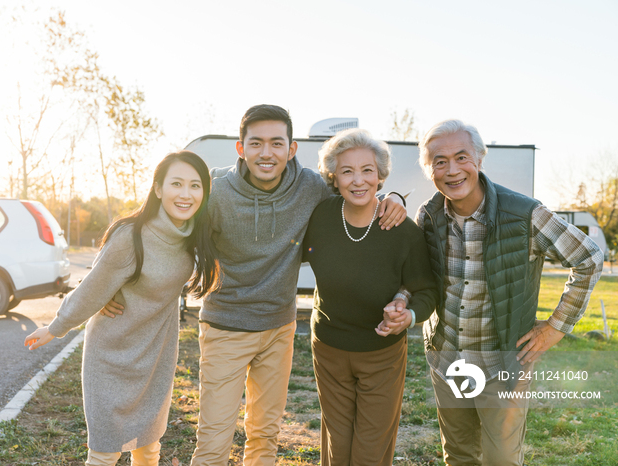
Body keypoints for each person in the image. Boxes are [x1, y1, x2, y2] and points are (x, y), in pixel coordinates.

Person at [100, 104, 408, 466]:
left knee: (265, 437)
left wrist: (395, 198)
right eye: (256, 143)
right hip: (224, 327)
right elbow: (156, 225)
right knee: (214, 438)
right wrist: (109, 279)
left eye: (277, 143)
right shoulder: (214, 191)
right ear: (241, 148)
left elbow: (358, 192)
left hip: (279, 328)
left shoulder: (310, 187)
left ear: (291, 149)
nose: (267, 153)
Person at [387, 119, 603, 466]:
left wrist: (556, 327)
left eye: (462, 157)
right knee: (458, 455)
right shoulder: (428, 216)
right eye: (439, 161)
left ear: (480, 159)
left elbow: (589, 257)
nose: (452, 170)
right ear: (429, 170)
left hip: (503, 366)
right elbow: (415, 276)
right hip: (447, 361)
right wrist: (402, 299)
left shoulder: (525, 214)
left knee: (501, 459)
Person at [24, 151, 220, 466]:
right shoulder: (131, 236)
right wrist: (55, 328)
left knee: (148, 445)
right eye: (177, 184)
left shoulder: (193, 237)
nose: (186, 194)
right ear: (158, 189)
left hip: (154, 357)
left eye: (195, 186)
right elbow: (92, 288)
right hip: (111, 357)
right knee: (105, 451)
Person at [302, 128, 437, 466]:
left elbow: (425, 289)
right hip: (329, 349)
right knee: (337, 441)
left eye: (367, 170)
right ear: (334, 177)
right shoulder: (320, 217)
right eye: (347, 171)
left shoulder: (403, 230)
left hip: (381, 354)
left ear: (380, 177)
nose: (358, 180)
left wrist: (408, 314)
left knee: (371, 448)